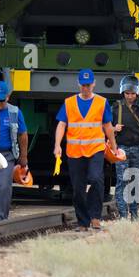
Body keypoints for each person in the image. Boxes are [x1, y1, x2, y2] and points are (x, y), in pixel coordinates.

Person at [53, 69, 113, 230]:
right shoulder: (69, 103)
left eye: (88, 85)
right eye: (83, 85)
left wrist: (114, 145)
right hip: (75, 151)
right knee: (78, 189)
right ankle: (83, 222)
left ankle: (95, 217)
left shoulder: (101, 102)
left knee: (95, 179)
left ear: (93, 84)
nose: (86, 88)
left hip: (95, 149)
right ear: (78, 84)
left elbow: (108, 126)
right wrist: (57, 145)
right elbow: (61, 125)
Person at [111, 75, 139, 220]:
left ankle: (134, 213)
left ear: (137, 93)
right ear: (122, 92)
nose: (130, 96)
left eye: (132, 93)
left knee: (136, 181)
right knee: (122, 181)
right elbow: (104, 128)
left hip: (138, 148)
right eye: (127, 93)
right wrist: (113, 128)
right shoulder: (115, 107)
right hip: (121, 149)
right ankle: (123, 215)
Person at [0, 81, 29, 223]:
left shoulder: (14, 112)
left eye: (1, 100)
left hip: (6, 156)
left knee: (3, 187)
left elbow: (23, 135)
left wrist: (23, 157)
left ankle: (1, 220)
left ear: (8, 97)